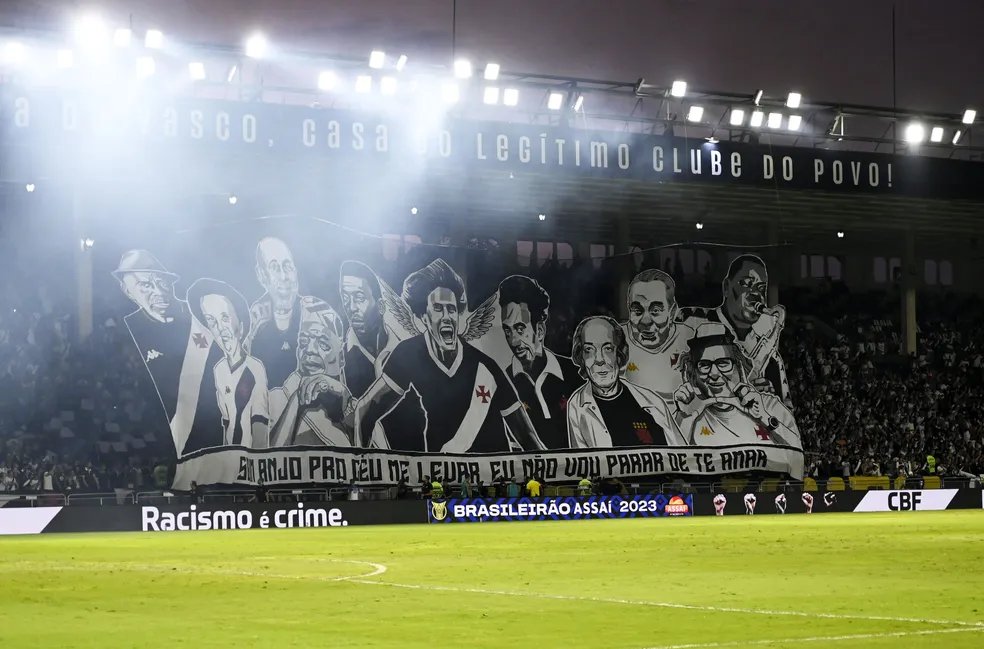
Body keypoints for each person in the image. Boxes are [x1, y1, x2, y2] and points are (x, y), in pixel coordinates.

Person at [354, 259, 546, 453]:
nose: (447, 316)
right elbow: (365, 409)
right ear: (423, 316)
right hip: (443, 476)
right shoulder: (409, 354)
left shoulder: (485, 367)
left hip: (491, 476)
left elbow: (527, 436)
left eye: (451, 309)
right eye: (438, 308)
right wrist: (360, 470)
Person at [114, 250, 223, 455]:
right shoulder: (128, 332)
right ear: (127, 291)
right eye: (145, 285)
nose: (158, 291)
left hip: (213, 427)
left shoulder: (200, 317)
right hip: (163, 437)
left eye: (161, 282)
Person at [673, 323, 800, 449]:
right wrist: (686, 418)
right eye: (704, 365)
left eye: (723, 363)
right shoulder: (690, 412)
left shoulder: (769, 405)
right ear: (694, 372)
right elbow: (672, 459)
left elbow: (797, 452)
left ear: (739, 367)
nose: (714, 373)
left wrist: (763, 417)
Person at [566, 316, 685, 449]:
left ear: (619, 353)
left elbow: (684, 457)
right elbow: (583, 465)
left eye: (607, 349)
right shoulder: (577, 406)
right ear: (581, 356)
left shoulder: (653, 402)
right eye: (589, 350)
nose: (599, 359)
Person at [681, 255, 789, 401]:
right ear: (726, 287)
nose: (755, 294)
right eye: (746, 284)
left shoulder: (772, 359)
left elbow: (787, 415)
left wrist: (769, 401)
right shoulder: (691, 322)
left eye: (761, 288)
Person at [497, 275, 581, 449]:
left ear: (540, 330)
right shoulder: (501, 383)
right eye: (507, 330)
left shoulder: (576, 374)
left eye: (520, 329)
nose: (513, 341)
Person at [188, 278, 270, 448]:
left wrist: (258, 462)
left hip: (252, 459)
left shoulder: (255, 368)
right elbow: (226, 423)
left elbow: (260, 422)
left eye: (225, 318)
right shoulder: (218, 370)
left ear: (240, 326)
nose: (219, 328)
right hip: (231, 460)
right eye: (211, 321)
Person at [268, 298, 352, 447]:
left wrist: (343, 396)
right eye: (304, 342)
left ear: (341, 357)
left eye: (322, 343)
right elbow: (269, 463)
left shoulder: (358, 408)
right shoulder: (274, 400)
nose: (310, 350)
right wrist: (296, 402)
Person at [247, 238, 323, 389]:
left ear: (295, 270)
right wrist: (249, 340)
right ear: (261, 275)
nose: (283, 277)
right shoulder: (252, 322)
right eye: (274, 268)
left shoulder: (317, 314)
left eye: (287, 266)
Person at [621, 270, 694, 403]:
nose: (646, 321)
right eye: (637, 311)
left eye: (655, 311)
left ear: (672, 313)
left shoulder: (690, 339)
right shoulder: (616, 341)